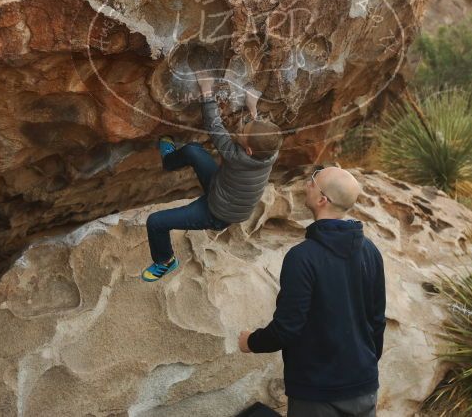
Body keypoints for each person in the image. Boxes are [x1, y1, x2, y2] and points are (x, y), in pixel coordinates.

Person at [238, 166, 386, 417]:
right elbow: (377, 320)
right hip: (364, 385)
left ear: (321, 200)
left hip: (317, 392)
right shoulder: (370, 251)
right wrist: (366, 365)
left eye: (313, 181)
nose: (307, 183)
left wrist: (251, 342)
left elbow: (287, 327)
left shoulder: (302, 257)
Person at [141, 71, 283, 282]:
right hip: (222, 189)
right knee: (192, 151)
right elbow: (264, 137)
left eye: (244, 132)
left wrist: (206, 90)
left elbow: (214, 127)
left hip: (217, 213)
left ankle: (165, 260)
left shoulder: (237, 157)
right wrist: (253, 109)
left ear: (248, 151)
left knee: (155, 222)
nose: (241, 129)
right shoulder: (270, 152)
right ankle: (169, 161)